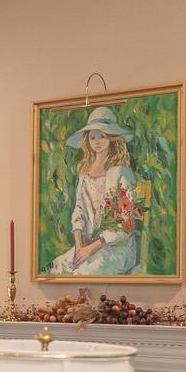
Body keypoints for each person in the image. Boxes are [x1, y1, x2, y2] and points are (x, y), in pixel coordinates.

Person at [46, 105, 146, 277]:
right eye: (93, 137)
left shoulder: (121, 172)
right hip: (88, 245)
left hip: (117, 248)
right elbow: (79, 209)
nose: (97, 141)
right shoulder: (84, 171)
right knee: (55, 269)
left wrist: (92, 248)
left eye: (102, 136)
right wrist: (79, 244)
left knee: (82, 273)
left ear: (112, 138)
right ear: (87, 140)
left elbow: (125, 225)